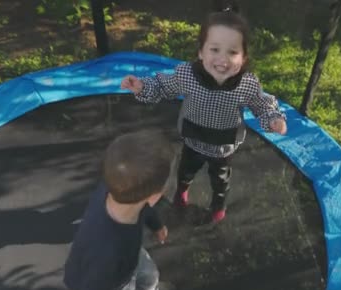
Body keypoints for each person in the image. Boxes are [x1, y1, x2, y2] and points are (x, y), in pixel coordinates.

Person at [120, 0, 287, 224]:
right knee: (186, 170)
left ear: (244, 57)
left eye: (233, 52)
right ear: (201, 51)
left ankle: (218, 202)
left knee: (220, 178)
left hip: (223, 144)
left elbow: (261, 104)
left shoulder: (246, 84)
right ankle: (181, 191)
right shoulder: (188, 75)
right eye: (215, 49)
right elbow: (163, 86)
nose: (222, 59)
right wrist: (142, 86)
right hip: (193, 137)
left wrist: (273, 119)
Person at [63, 132, 182, 290]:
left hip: (129, 253)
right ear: (156, 196)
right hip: (110, 287)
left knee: (149, 272)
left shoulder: (117, 189)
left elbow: (144, 206)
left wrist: (156, 224)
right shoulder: (107, 255)